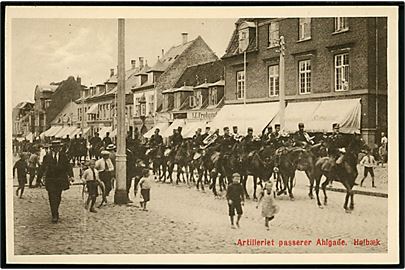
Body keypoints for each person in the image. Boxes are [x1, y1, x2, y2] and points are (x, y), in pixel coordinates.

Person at [42, 140, 74, 223]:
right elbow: (42, 167)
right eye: (55, 147)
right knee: (52, 197)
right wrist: (38, 179)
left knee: (58, 197)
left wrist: (71, 176)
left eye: (58, 147)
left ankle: (56, 210)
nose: (57, 149)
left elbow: (68, 166)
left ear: (60, 148)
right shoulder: (47, 157)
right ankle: (54, 215)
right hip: (51, 180)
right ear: (52, 148)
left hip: (60, 180)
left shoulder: (63, 156)